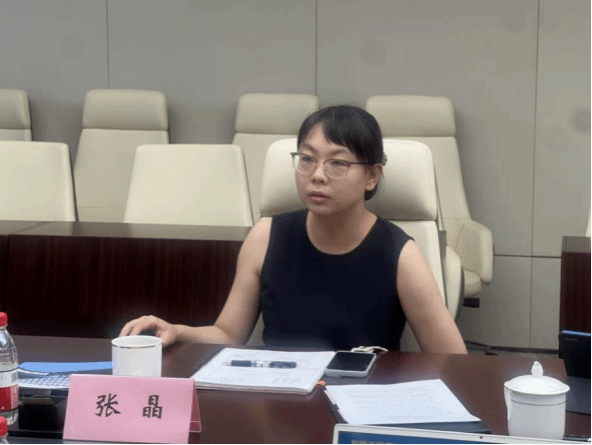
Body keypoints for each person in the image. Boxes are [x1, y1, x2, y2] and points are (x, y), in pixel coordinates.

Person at [120, 105, 467, 354]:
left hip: (361, 406)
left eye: (338, 163)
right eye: (307, 159)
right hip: (280, 402)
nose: (317, 174)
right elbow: (228, 334)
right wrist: (177, 330)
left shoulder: (400, 253)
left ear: (372, 176)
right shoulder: (265, 237)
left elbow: (452, 360)